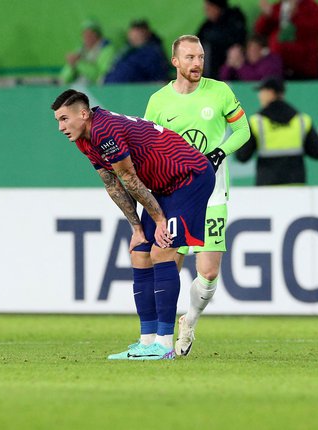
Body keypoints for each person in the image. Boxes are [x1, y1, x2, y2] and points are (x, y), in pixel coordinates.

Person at [51, 89, 215, 360]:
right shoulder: (84, 140)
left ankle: (164, 345)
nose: (61, 127)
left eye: (64, 119)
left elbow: (128, 177)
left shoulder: (105, 130)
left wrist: (160, 220)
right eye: (58, 121)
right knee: (140, 253)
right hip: (163, 187)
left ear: (83, 114)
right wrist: (137, 228)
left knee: (161, 250)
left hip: (190, 177)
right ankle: (147, 340)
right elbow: (112, 184)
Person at [144, 35, 251, 357]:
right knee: (168, 263)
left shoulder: (220, 91)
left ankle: (189, 320)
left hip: (213, 191)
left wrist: (218, 153)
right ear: (175, 62)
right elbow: (147, 147)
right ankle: (160, 340)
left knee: (208, 272)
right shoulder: (159, 101)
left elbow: (244, 131)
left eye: (201, 57)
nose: (197, 63)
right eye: (190, 57)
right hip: (174, 193)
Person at [235, 77, 318, 185]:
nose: (259, 96)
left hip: (267, 190)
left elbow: (241, 156)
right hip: (296, 190)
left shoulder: (257, 122)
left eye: (261, 92)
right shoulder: (302, 121)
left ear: (270, 92)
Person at [255, 0, 318, 79]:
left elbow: (310, 30)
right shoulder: (278, 7)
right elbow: (260, 30)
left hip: (304, 68)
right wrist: (266, 15)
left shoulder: (313, 7)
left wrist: (294, 15)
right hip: (278, 68)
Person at [104, 20, 170, 84]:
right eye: (132, 34)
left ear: (146, 33)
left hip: (133, 91)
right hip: (113, 89)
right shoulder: (126, 50)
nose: (134, 37)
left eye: (137, 34)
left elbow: (158, 79)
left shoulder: (152, 53)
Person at [197, 0, 248, 79]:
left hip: (231, 74)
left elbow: (237, 41)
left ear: (216, 8)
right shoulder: (207, 26)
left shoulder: (234, 20)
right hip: (210, 75)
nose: (206, 11)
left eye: (208, 8)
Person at [59, 19, 116, 85]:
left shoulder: (108, 50)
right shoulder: (80, 50)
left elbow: (100, 77)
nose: (86, 37)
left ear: (97, 35)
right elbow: (63, 79)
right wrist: (72, 65)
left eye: (90, 34)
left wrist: (78, 63)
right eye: (84, 34)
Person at [219, 35, 284, 81]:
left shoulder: (272, 61)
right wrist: (229, 62)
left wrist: (240, 66)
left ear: (263, 51)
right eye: (249, 49)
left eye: (254, 49)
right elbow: (223, 77)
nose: (250, 53)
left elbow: (256, 79)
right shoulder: (245, 62)